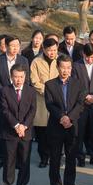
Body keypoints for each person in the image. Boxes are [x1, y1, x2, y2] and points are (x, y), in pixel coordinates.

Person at [43, 54, 87, 185]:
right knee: (55, 158)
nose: (65, 71)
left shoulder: (78, 83)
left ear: (71, 68)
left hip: (72, 126)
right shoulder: (50, 85)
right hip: (56, 126)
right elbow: (50, 104)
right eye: (63, 67)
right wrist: (62, 117)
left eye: (68, 68)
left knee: (71, 158)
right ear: (57, 67)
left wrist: (70, 118)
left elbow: (80, 104)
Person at [0, 36, 28, 171]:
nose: (15, 48)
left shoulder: (23, 60)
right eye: (12, 45)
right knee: (0, 130)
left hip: (19, 100)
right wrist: (6, 93)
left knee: (16, 129)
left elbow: (26, 80)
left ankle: (16, 159)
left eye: (17, 45)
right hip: (1, 100)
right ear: (6, 46)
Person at [0, 65, 36, 185]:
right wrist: (16, 125)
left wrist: (24, 126)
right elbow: (4, 110)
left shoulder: (31, 91)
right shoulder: (5, 91)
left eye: (21, 77)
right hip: (10, 132)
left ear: (25, 77)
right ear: (11, 77)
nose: (18, 80)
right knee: (9, 160)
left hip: (26, 132)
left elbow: (33, 110)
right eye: (16, 77)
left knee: (25, 160)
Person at [30, 38, 59, 167]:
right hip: (41, 101)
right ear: (44, 49)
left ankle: (55, 156)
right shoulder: (36, 61)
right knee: (42, 133)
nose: (52, 53)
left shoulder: (60, 60)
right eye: (49, 50)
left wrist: (55, 92)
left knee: (55, 132)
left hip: (57, 101)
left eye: (54, 50)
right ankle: (43, 157)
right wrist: (48, 91)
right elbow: (34, 81)